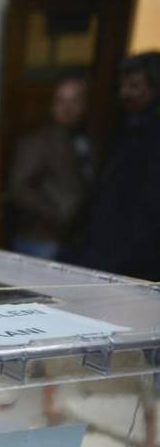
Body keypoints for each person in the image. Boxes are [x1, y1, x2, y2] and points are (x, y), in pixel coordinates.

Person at [63, 52, 160, 282]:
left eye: (134, 86)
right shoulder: (127, 126)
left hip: (134, 261)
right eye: (123, 85)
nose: (124, 93)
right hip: (101, 250)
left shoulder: (151, 134)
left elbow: (149, 207)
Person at [6, 76, 95, 260]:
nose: (67, 108)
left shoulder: (86, 142)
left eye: (75, 101)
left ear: (85, 105)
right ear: (51, 104)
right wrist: (56, 215)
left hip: (75, 240)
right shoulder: (38, 142)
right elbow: (19, 187)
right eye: (61, 101)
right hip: (40, 239)